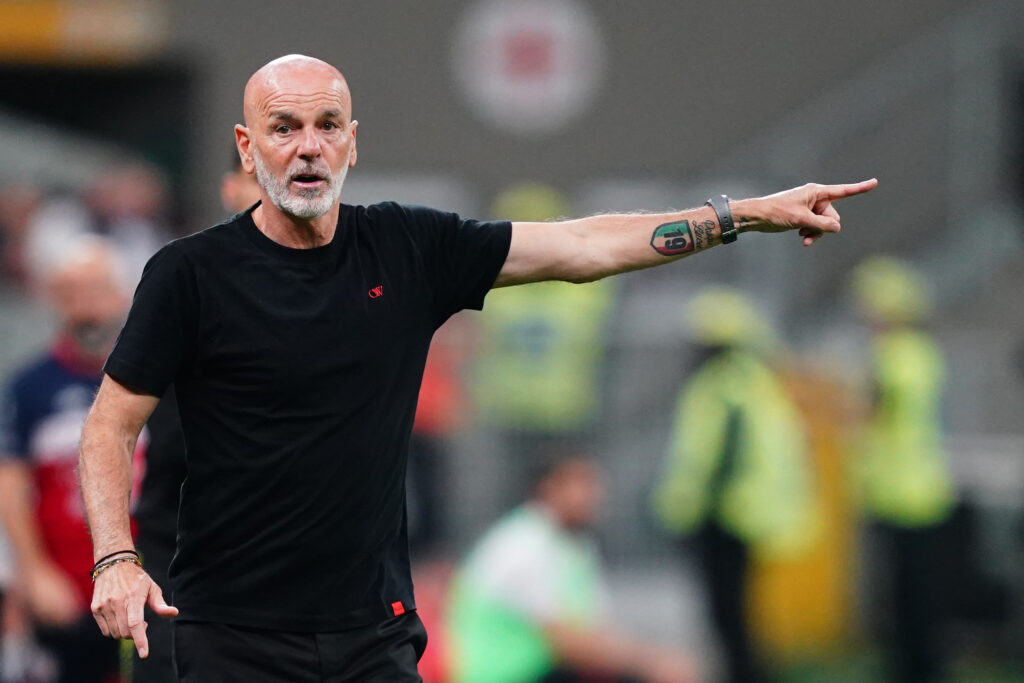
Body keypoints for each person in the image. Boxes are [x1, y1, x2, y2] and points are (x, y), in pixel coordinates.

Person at [77, 53, 877, 682]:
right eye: (284, 127)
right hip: (230, 634)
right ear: (249, 150)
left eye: (328, 124)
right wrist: (115, 555)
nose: (309, 146)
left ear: (354, 140)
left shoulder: (408, 247)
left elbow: (585, 245)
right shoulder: (190, 273)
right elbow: (110, 426)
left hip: (371, 635)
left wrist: (745, 214)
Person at [651, 288, 820, 683]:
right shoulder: (755, 381)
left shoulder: (720, 385)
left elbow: (715, 458)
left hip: (722, 515)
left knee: (728, 614)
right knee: (739, 613)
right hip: (746, 513)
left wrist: (688, 509)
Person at [0, 236, 136, 683]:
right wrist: (33, 572)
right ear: (54, 301)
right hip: (65, 595)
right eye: (71, 293)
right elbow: (11, 483)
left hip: (145, 584)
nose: (87, 307)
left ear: (121, 294)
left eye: (97, 290)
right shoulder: (29, 387)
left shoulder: (153, 381)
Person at [447, 452, 694, 683]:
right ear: (548, 487)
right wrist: (650, 662)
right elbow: (567, 643)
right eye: (580, 483)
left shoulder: (575, 544)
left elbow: (596, 631)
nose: (593, 494)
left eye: (594, 483)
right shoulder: (523, 545)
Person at [850, 257, 955, 683]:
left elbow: (871, 406)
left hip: (901, 495)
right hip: (917, 491)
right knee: (916, 601)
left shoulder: (894, 355)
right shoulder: (921, 352)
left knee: (907, 603)